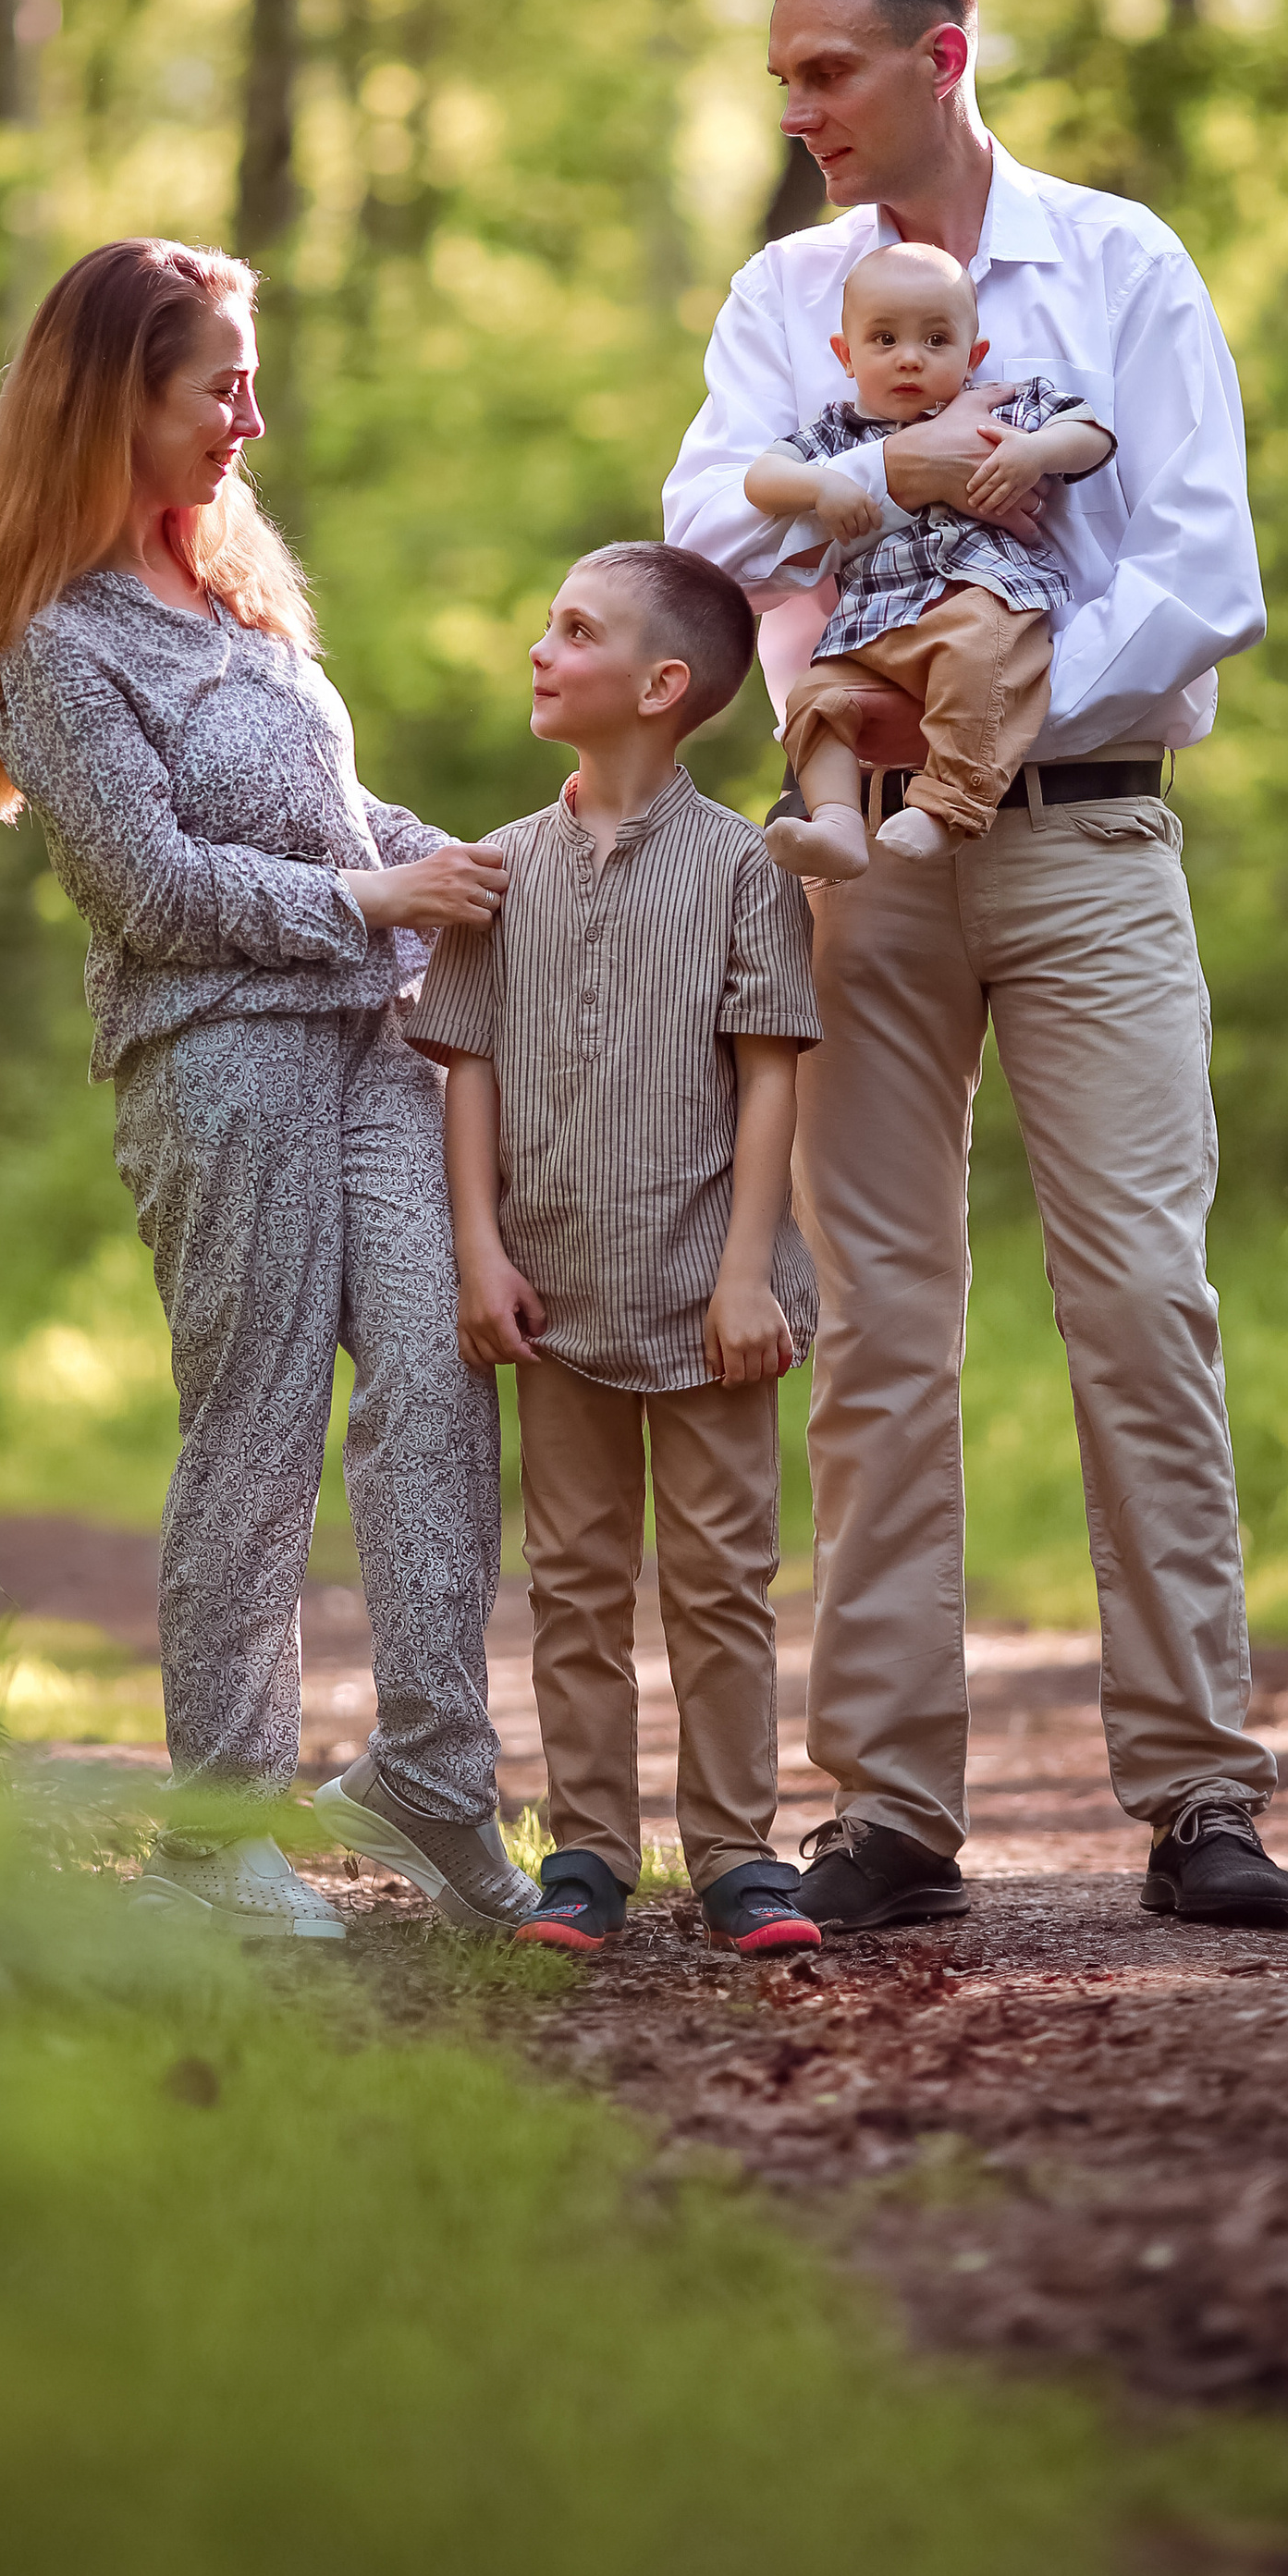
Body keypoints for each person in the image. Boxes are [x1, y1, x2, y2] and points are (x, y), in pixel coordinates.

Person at [665, 0, 1288, 1937]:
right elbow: (701, 523)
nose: (798, 109)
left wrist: (982, 691)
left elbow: (1198, 570)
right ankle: (888, 1812)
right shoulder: (786, 292)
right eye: (779, 77)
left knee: (1136, 1297)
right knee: (872, 1329)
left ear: (939, 60)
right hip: (853, 855)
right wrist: (880, 494)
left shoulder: (1115, 266)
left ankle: (1196, 1788)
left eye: (824, 72)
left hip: (1085, 839)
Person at [0, 236, 539, 1944]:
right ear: (113, 397)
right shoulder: (59, 644)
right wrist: (375, 904)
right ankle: (215, 1835)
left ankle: (431, 1773)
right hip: (218, 1060)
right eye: (221, 387)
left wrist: (491, 866)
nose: (250, 421)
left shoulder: (243, 597)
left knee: (434, 1384)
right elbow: (155, 891)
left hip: (375, 1043)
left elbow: (342, 834)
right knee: (258, 1433)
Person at [409, 544, 826, 1961]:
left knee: (721, 1580)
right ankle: (586, 1851)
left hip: (712, 1293)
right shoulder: (495, 871)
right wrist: (478, 1250)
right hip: (555, 1293)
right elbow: (464, 1066)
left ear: (660, 687)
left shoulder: (742, 871)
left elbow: (771, 1076)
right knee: (576, 1580)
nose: (540, 648)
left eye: (572, 631)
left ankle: (738, 1855)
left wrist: (749, 1271)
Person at [742, 236, 1113, 878]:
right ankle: (835, 820)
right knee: (816, 697)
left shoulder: (999, 405)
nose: (909, 358)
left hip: (979, 597)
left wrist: (1036, 452)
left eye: (936, 341)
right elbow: (761, 479)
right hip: (872, 623)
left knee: (982, 664)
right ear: (846, 354)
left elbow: (1089, 434)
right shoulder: (837, 432)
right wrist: (822, 484)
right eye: (884, 340)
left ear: (973, 354)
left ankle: (947, 807)